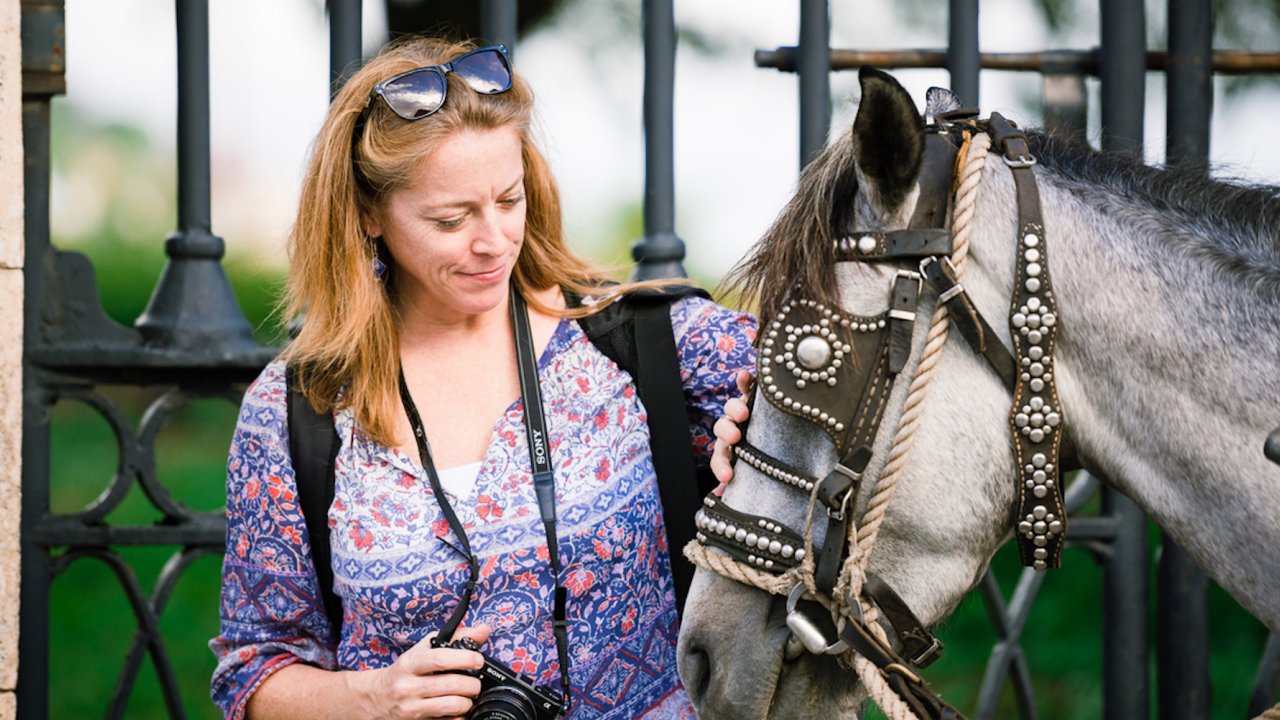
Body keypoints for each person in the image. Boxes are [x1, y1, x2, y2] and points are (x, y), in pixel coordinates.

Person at [209, 35, 756, 720]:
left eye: (508, 199)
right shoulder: (297, 411)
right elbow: (252, 674)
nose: (493, 239)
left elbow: (845, 389)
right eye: (451, 218)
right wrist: (372, 697)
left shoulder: (648, 344)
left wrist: (757, 439)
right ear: (369, 216)